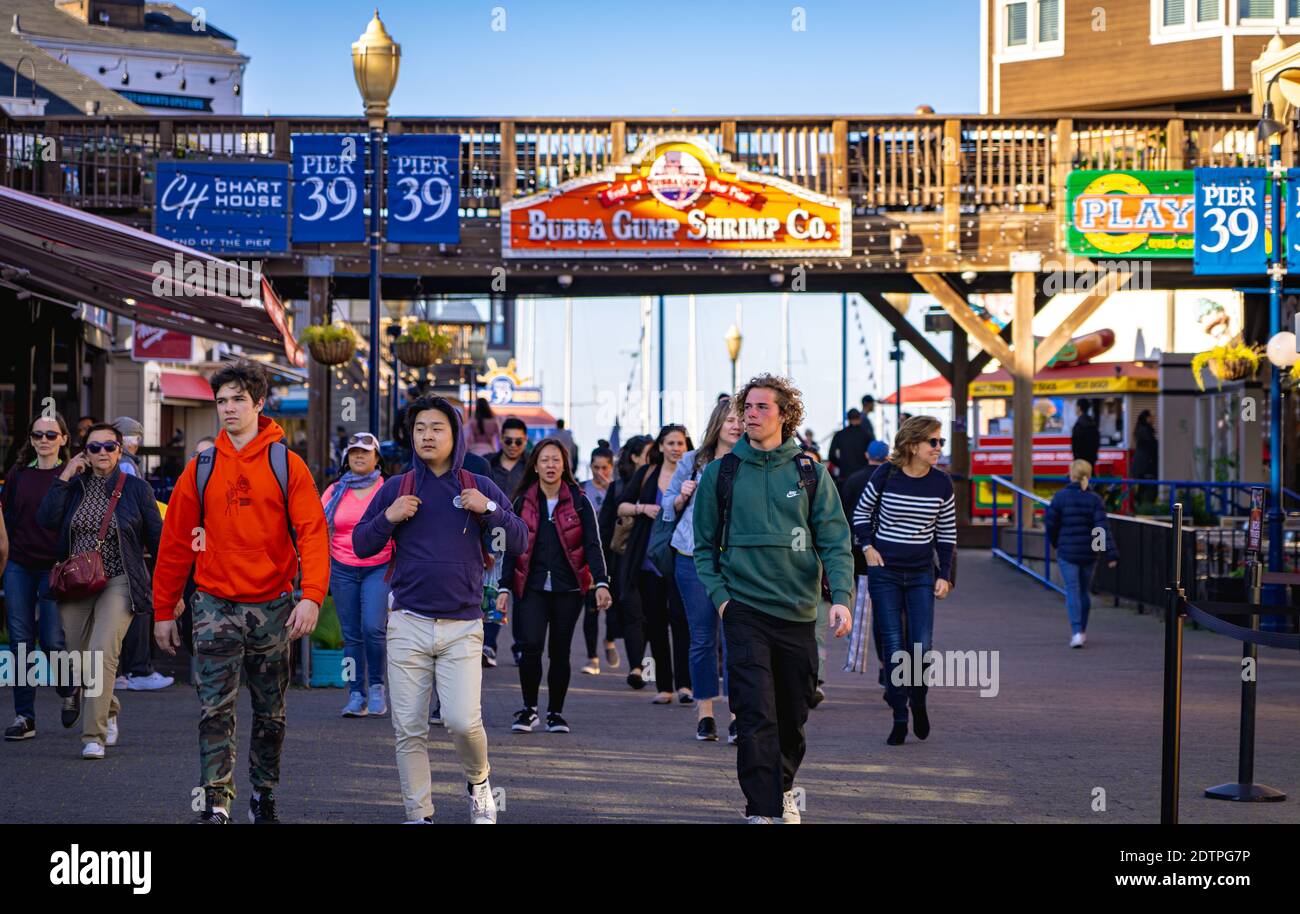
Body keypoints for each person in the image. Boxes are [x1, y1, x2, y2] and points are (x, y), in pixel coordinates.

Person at [152, 361, 330, 824]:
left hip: (273, 606)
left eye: (237, 400)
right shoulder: (202, 467)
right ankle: (217, 800)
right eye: (222, 401)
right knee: (215, 709)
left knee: (271, 714)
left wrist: (310, 594)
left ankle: (263, 794)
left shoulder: (286, 464)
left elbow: (312, 532)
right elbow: (176, 540)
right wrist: (163, 608)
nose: (228, 409)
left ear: (258, 404)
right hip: (213, 605)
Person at [353, 395, 526, 824]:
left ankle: (480, 781)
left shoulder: (477, 485)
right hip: (408, 622)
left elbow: (518, 540)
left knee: (462, 722)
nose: (427, 436)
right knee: (409, 728)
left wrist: (488, 510)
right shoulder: (396, 488)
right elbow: (361, 545)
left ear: (456, 434)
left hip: (463, 625)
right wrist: (388, 517)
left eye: (437, 428)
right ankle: (419, 814)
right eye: (420, 429)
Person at [693, 374, 854, 823]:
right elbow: (703, 546)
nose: (751, 414)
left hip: (799, 611)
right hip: (744, 611)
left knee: (791, 718)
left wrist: (840, 596)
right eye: (747, 407)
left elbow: (836, 541)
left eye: (763, 407)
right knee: (754, 714)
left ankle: (782, 789)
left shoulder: (809, 472)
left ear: (786, 415)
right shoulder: (721, 472)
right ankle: (761, 811)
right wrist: (723, 599)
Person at [37, 423, 163, 759]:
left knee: (101, 653)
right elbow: (46, 520)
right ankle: (108, 708)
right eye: (94, 448)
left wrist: (168, 592)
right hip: (77, 580)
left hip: (118, 580)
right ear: (84, 453)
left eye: (109, 446)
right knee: (78, 660)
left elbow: (158, 540)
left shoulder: (137, 489)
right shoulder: (74, 485)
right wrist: (63, 477)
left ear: (120, 451)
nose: (102, 453)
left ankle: (94, 735)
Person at [852, 416, 956, 747]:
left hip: (922, 573)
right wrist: (867, 546)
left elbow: (947, 533)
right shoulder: (886, 474)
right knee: (895, 647)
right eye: (933, 442)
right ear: (913, 445)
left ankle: (919, 700)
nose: (939, 448)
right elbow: (860, 515)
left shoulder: (942, 484)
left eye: (941, 442)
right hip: (885, 574)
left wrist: (945, 575)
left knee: (921, 647)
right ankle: (899, 716)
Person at [500, 438, 610, 733]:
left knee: (560, 652)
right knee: (531, 646)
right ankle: (529, 709)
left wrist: (601, 582)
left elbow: (592, 545)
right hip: (531, 587)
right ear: (534, 466)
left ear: (565, 465)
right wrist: (503, 587)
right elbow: (511, 546)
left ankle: (555, 713)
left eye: (556, 460)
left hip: (569, 589)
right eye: (545, 460)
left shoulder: (579, 500)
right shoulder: (522, 501)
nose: (550, 465)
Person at [663, 397, 743, 743]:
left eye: (742, 419)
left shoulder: (753, 461)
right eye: (730, 420)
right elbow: (667, 507)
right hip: (692, 555)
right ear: (718, 423)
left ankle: (738, 714)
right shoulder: (694, 461)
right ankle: (706, 713)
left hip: (737, 560)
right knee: (702, 637)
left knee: (738, 638)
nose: (737, 425)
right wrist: (681, 495)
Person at [2, 413, 77, 741]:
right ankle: (24, 717)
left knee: (51, 641)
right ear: (30, 439)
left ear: (63, 438)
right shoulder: (19, 474)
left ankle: (68, 687)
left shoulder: (73, 474)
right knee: (20, 642)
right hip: (18, 564)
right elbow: (6, 519)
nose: (43, 441)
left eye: (50, 435)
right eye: (37, 435)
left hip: (54, 566)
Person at [615, 424, 692, 703]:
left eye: (680, 443)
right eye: (670, 443)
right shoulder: (647, 474)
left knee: (682, 622)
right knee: (656, 623)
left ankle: (686, 685)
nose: (675, 448)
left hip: (682, 558)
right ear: (660, 447)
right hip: (648, 560)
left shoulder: (693, 475)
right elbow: (621, 505)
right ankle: (665, 687)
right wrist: (642, 508)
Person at [322, 432, 392, 717]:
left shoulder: (387, 489)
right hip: (342, 567)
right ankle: (355, 693)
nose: (359, 457)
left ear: (377, 457)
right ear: (346, 458)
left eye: (365, 452)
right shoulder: (335, 490)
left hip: (379, 565)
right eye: (353, 453)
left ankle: (376, 686)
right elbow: (318, 526)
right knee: (351, 636)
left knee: (373, 629)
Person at [597, 435, 652, 679]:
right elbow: (605, 527)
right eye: (650, 454)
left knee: (651, 616)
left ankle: (643, 665)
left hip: (653, 560)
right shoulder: (618, 487)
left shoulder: (665, 481)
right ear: (635, 457)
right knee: (632, 613)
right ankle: (637, 668)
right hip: (624, 560)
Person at [1047, 460, 1118, 648]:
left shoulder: (1060, 497)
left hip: (1067, 552)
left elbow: (1051, 525)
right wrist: (1106, 552)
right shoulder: (1094, 499)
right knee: (1084, 592)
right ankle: (1083, 630)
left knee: (1072, 591)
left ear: (1071, 475)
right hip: (1089, 553)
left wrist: (1056, 543)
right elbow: (1101, 527)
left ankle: (1077, 631)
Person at [488, 416, 529, 665]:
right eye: (508, 440)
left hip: (523, 536)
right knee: (493, 588)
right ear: (500, 439)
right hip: (493, 534)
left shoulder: (531, 467)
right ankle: (489, 644)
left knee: (522, 592)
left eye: (518, 441)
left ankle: (521, 646)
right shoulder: (487, 465)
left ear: (525, 442)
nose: (513, 445)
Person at [580, 445, 621, 674]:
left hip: (613, 553)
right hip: (591, 556)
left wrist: (612, 490)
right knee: (591, 607)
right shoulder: (583, 489)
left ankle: (609, 640)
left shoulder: (617, 490)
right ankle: (592, 658)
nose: (599, 472)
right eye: (595, 467)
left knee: (614, 607)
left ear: (611, 467)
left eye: (604, 467)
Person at [828, 408, 869, 487]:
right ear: (860, 418)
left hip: (844, 477)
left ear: (848, 419)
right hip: (862, 478)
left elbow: (831, 455)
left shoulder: (839, 435)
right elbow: (871, 455)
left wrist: (842, 464)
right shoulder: (866, 435)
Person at [1132, 410, 1158, 506]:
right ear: (1147, 418)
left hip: (1141, 467)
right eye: (1152, 416)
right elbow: (1152, 446)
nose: (1154, 418)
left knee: (1142, 489)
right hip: (1146, 467)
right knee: (1148, 491)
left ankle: (1140, 508)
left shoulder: (1141, 430)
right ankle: (1144, 509)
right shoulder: (1146, 431)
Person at [1070, 399, 1100, 471]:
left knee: (1082, 480)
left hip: (1081, 462)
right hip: (1091, 461)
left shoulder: (1079, 425)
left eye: (1075, 407)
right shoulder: (1093, 423)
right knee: (1089, 480)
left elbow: (1076, 445)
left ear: (1079, 408)